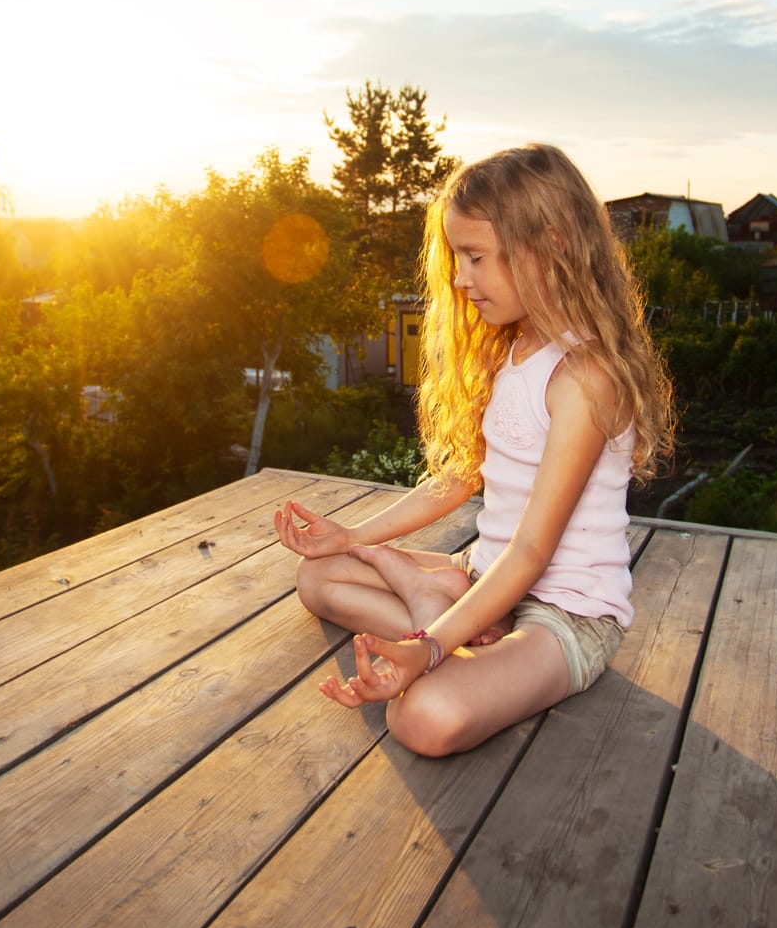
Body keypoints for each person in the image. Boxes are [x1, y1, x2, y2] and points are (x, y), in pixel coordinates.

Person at [275, 143, 674, 756]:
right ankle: (440, 605)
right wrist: (352, 536)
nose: (460, 280)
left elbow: (534, 552)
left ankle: (435, 616)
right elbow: (459, 479)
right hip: (486, 574)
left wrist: (428, 650)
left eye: (476, 257)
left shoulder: (584, 377)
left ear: (549, 246)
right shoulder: (508, 347)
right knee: (318, 575)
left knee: (424, 716)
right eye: (458, 258)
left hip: (563, 614)